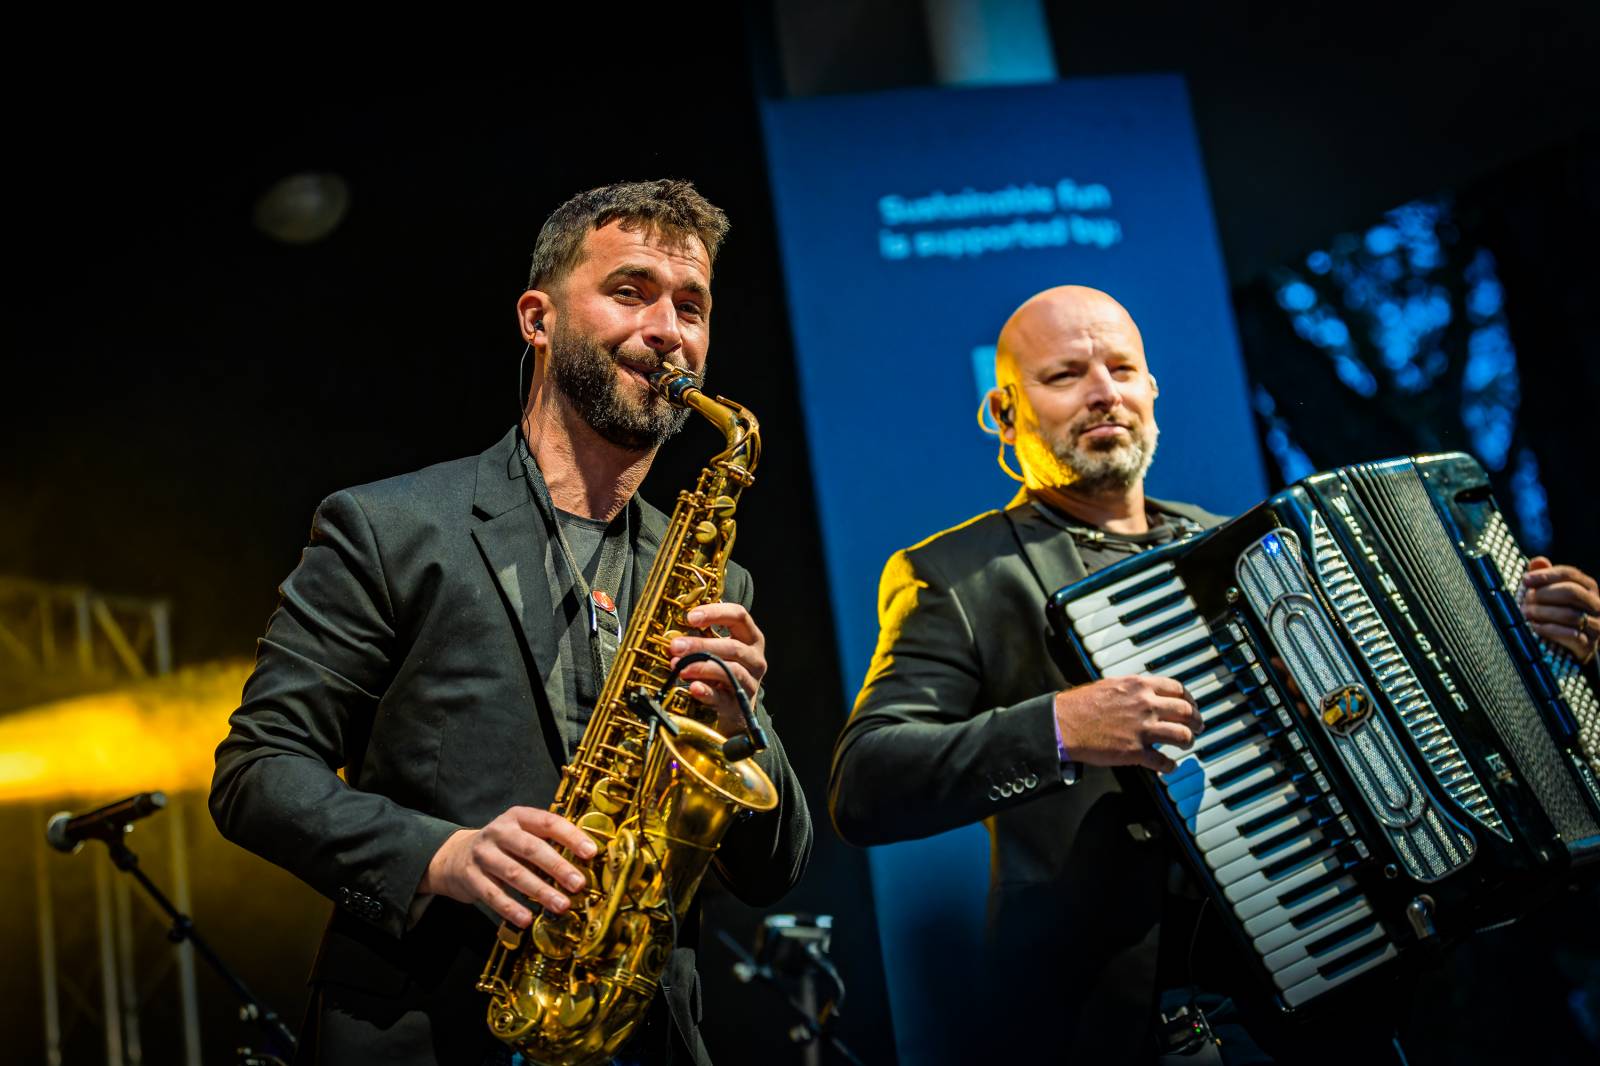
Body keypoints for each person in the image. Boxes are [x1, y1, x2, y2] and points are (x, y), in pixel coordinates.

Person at [828, 285, 1600, 1064]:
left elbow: (1399, 709)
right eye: (1065, 376)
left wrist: (1529, 646)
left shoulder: (1237, 546)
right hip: (1144, 1018)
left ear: (1152, 389)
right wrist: (1059, 727)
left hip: (1339, 984)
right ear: (1003, 409)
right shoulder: (958, 576)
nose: (1103, 393)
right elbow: (866, 782)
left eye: (1122, 369)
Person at [211, 179, 813, 1066]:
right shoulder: (390, 528)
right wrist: (441, 855)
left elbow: (772, 867)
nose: (669, 330)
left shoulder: (717, 575)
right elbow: (257, 773)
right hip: (426, 1026)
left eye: (692, 305)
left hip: (641, 1035)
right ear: (537, 318)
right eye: (630, 291)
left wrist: (740, 728)